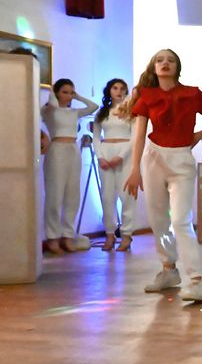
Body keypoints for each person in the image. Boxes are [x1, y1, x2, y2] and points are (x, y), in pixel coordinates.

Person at [124, 49, 202, 302]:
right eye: (159, 60)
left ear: (178, 67)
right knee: (158, 218)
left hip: (181, 159)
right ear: (153, 67)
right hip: (153, 157)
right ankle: (168, 270)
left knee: (180, 220)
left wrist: (197, 136)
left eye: (170, 60)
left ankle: (197, 281)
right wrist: (134, 170)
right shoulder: (146, 95)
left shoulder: (193, 93)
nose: (165, 63)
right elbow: (139, 135)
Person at [40, 78, 98, 254]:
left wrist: (77, 96)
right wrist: (52, 92)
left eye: (71, 92)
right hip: (57, 150)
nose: (69, 95)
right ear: (56, 93)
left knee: (73, 195)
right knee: (55, 195)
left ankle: (67, 235)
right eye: (64, 92)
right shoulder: (49, 110)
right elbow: (52, 105)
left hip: (73, 150)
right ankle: (52, 238)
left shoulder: (74, 112)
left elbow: (93, 107)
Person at [92, 79, 136, 252]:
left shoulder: (131, 112)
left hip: (125, 154)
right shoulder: (102, 113)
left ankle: (126, 235)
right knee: (107, 196)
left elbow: (134, 138)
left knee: (127, 196)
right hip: (106, 152)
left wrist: (120, 156)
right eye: (115, 88)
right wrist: (100, 157)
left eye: (122, 89)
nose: (119, 91)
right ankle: (110, 234)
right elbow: (96, 137)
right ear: (109, 91)